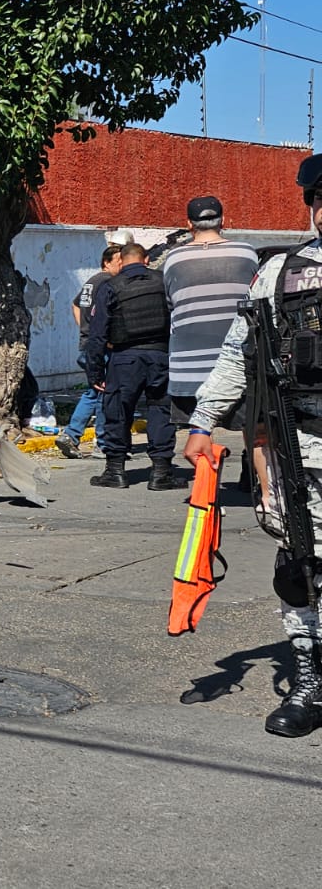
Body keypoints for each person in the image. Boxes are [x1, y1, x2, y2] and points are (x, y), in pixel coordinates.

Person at [185, 152, 322, 737]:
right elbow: (237, 353)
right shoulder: (279, 273)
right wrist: (202, 421)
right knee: (298, 569)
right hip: (296, 451)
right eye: (320, 200)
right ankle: (312, 680)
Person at [85, 243, 183, 490]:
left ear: (121, 261)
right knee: (160, 410)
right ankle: (161, 473)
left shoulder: (111, 286)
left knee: (117, 411)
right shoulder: (163, 282)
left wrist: (94, 371)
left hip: (124, 358)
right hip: (160, 355)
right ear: (147, 259)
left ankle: (115, 472)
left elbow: (97, 334)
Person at [161, 196, 258, 425]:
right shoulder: (246, 253)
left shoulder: (174, 258)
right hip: (238, 366)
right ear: (223, 220)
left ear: (189, 224)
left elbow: (170, 304)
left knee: (198, 433)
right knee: (255, 435)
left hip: (188, 368)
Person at [56, 244, 125, 459]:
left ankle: (71, 435)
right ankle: (102, 443)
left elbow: (75, 305)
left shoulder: (92, 281)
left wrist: (84, 330)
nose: (123, 265)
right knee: (106, 392)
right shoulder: (107, 282)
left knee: (94, 392)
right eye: (119, 261)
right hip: (100, 348)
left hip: (89, 345)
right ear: (107, 262)